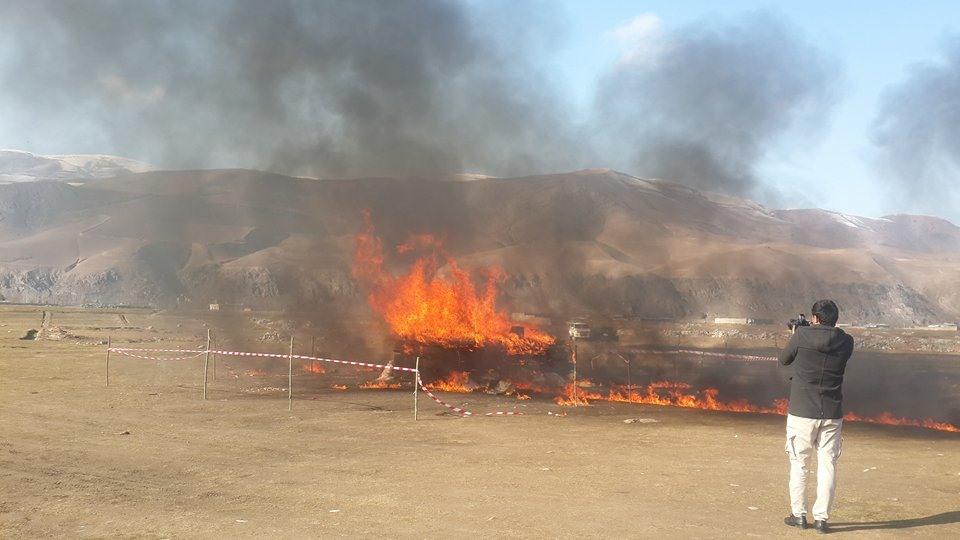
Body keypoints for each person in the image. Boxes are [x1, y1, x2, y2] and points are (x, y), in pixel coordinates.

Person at [778, 299, 854, 534]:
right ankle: (821, 518)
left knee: (800, 464)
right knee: (828, 465)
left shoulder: (802, 336)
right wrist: (804, 331)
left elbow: (784, 359)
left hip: (802, 411)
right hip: (831, 412)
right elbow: (825, 345)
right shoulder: (846, 341)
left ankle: (799, 515)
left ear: (816, 318)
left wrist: (797, 333)